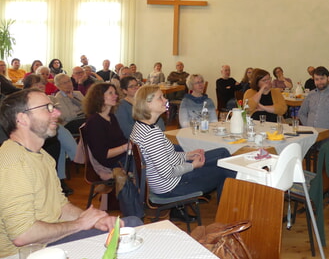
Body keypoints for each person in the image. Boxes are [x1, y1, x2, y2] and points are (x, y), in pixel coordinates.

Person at [0, 89, 142, 257]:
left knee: (130, 226)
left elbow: (60, 206)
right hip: (32, 251)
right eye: (47, 108)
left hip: (50, 239)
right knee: (131, 226)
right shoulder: (13, 164)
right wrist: (79, 224)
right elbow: (22, 236)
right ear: (22, 118)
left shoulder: (42, 156)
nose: (57, 113)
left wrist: (96, 220)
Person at [130, 85, 236, 200]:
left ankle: (228, 209)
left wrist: (187, 155)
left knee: (222, 153)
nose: (165, 100)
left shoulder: (140, 126)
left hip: (165, 182)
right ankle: (229, 211)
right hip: (173, 186)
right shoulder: (152, 135)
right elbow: (167, 173)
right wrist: (192, 165)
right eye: (160, 97)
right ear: (147, 104)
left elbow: (167, 157)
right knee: (226, 169)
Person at [82, 83, 129, 173]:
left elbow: (121, 139)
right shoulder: (94, 122)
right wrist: (126, 147)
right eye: (110, 93)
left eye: (115, 93)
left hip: (121, 155)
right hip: (111, 161)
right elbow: (103, 154)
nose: (115, 96)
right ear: (99, 97)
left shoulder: (111, 116)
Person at [298, 66, 329, 136]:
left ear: (328, 78)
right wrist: (308, 125)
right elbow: (301, 113)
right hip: (310, 134)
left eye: (322, 79)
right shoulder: (311, 95)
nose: (319, 82)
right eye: (316, 79)